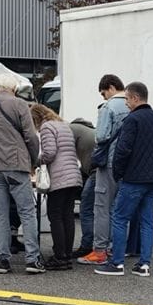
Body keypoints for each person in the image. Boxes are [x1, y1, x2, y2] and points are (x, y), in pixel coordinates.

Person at [95, 82, 153, 277]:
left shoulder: (132, 120)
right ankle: (144, 264)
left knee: (119, 218)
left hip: (133, 178)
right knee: (147, 222)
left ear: (136, 98)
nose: (126, 103)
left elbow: (123, 150)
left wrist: (118, 173)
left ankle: (117, 262)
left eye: (127, 98)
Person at [0, 73, 43, 274]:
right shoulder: (21, 105)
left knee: (0, 214)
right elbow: (30, 136)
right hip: (16, 164)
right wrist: (33, 161)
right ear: (14, 88)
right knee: (27, 212)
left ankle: (3, 260)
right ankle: (32, 259)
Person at [79, 75, 131, 266]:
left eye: (103, 93)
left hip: (108, 163)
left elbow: (100, 136)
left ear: (110, 88)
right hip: (127, 166)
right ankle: (116, 249)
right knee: (120, 210)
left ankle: (100, 251)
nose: (103, 97)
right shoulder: (131, 105)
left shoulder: (108, 107)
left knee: (101, 208)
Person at [31, 104, 83, 271]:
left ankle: (59, 256)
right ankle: (67, 255)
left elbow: (50, 152)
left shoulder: (47, 127)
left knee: (55, 216)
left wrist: (36, 161)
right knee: (67, 216)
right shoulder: (64, 125)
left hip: (60, 177)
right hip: (73, 175)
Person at [70, 116, 97, 258]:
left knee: (86, 209)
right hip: (99, 171)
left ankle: (87, 246)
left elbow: (63, 155)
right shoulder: (90, 130)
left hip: (95, 172)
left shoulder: (71, 129)